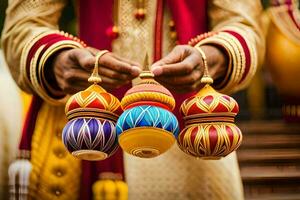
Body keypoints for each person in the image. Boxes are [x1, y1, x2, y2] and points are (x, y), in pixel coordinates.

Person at [1, 0, 265, 199]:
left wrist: (215, 55)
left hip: (199, 136)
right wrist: (57, 61)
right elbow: (22, 26)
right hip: (95, 128)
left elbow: (243, 23)